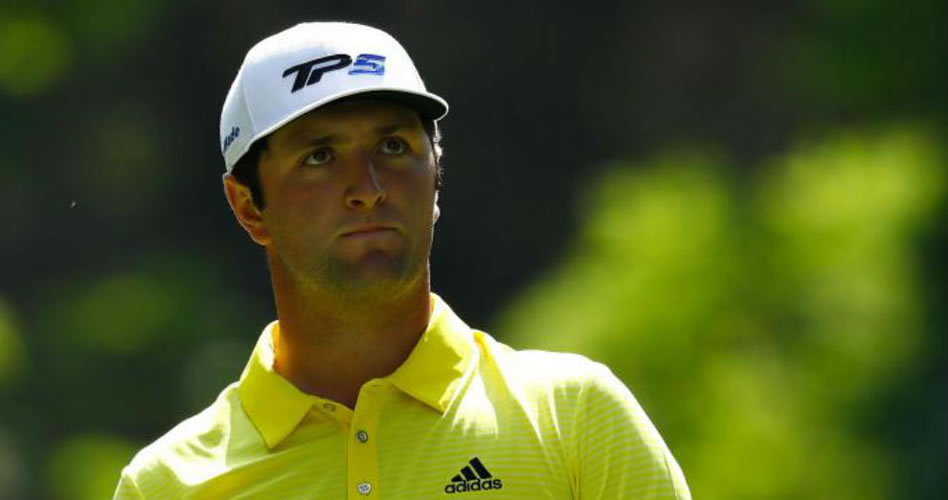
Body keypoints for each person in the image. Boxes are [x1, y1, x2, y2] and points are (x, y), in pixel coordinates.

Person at [113, 22, 691, 499]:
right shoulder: (167, 485)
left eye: (393, 147)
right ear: (248, 206)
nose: (368, 189)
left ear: (436, 179)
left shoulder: (575, 418)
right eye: (319, 157)